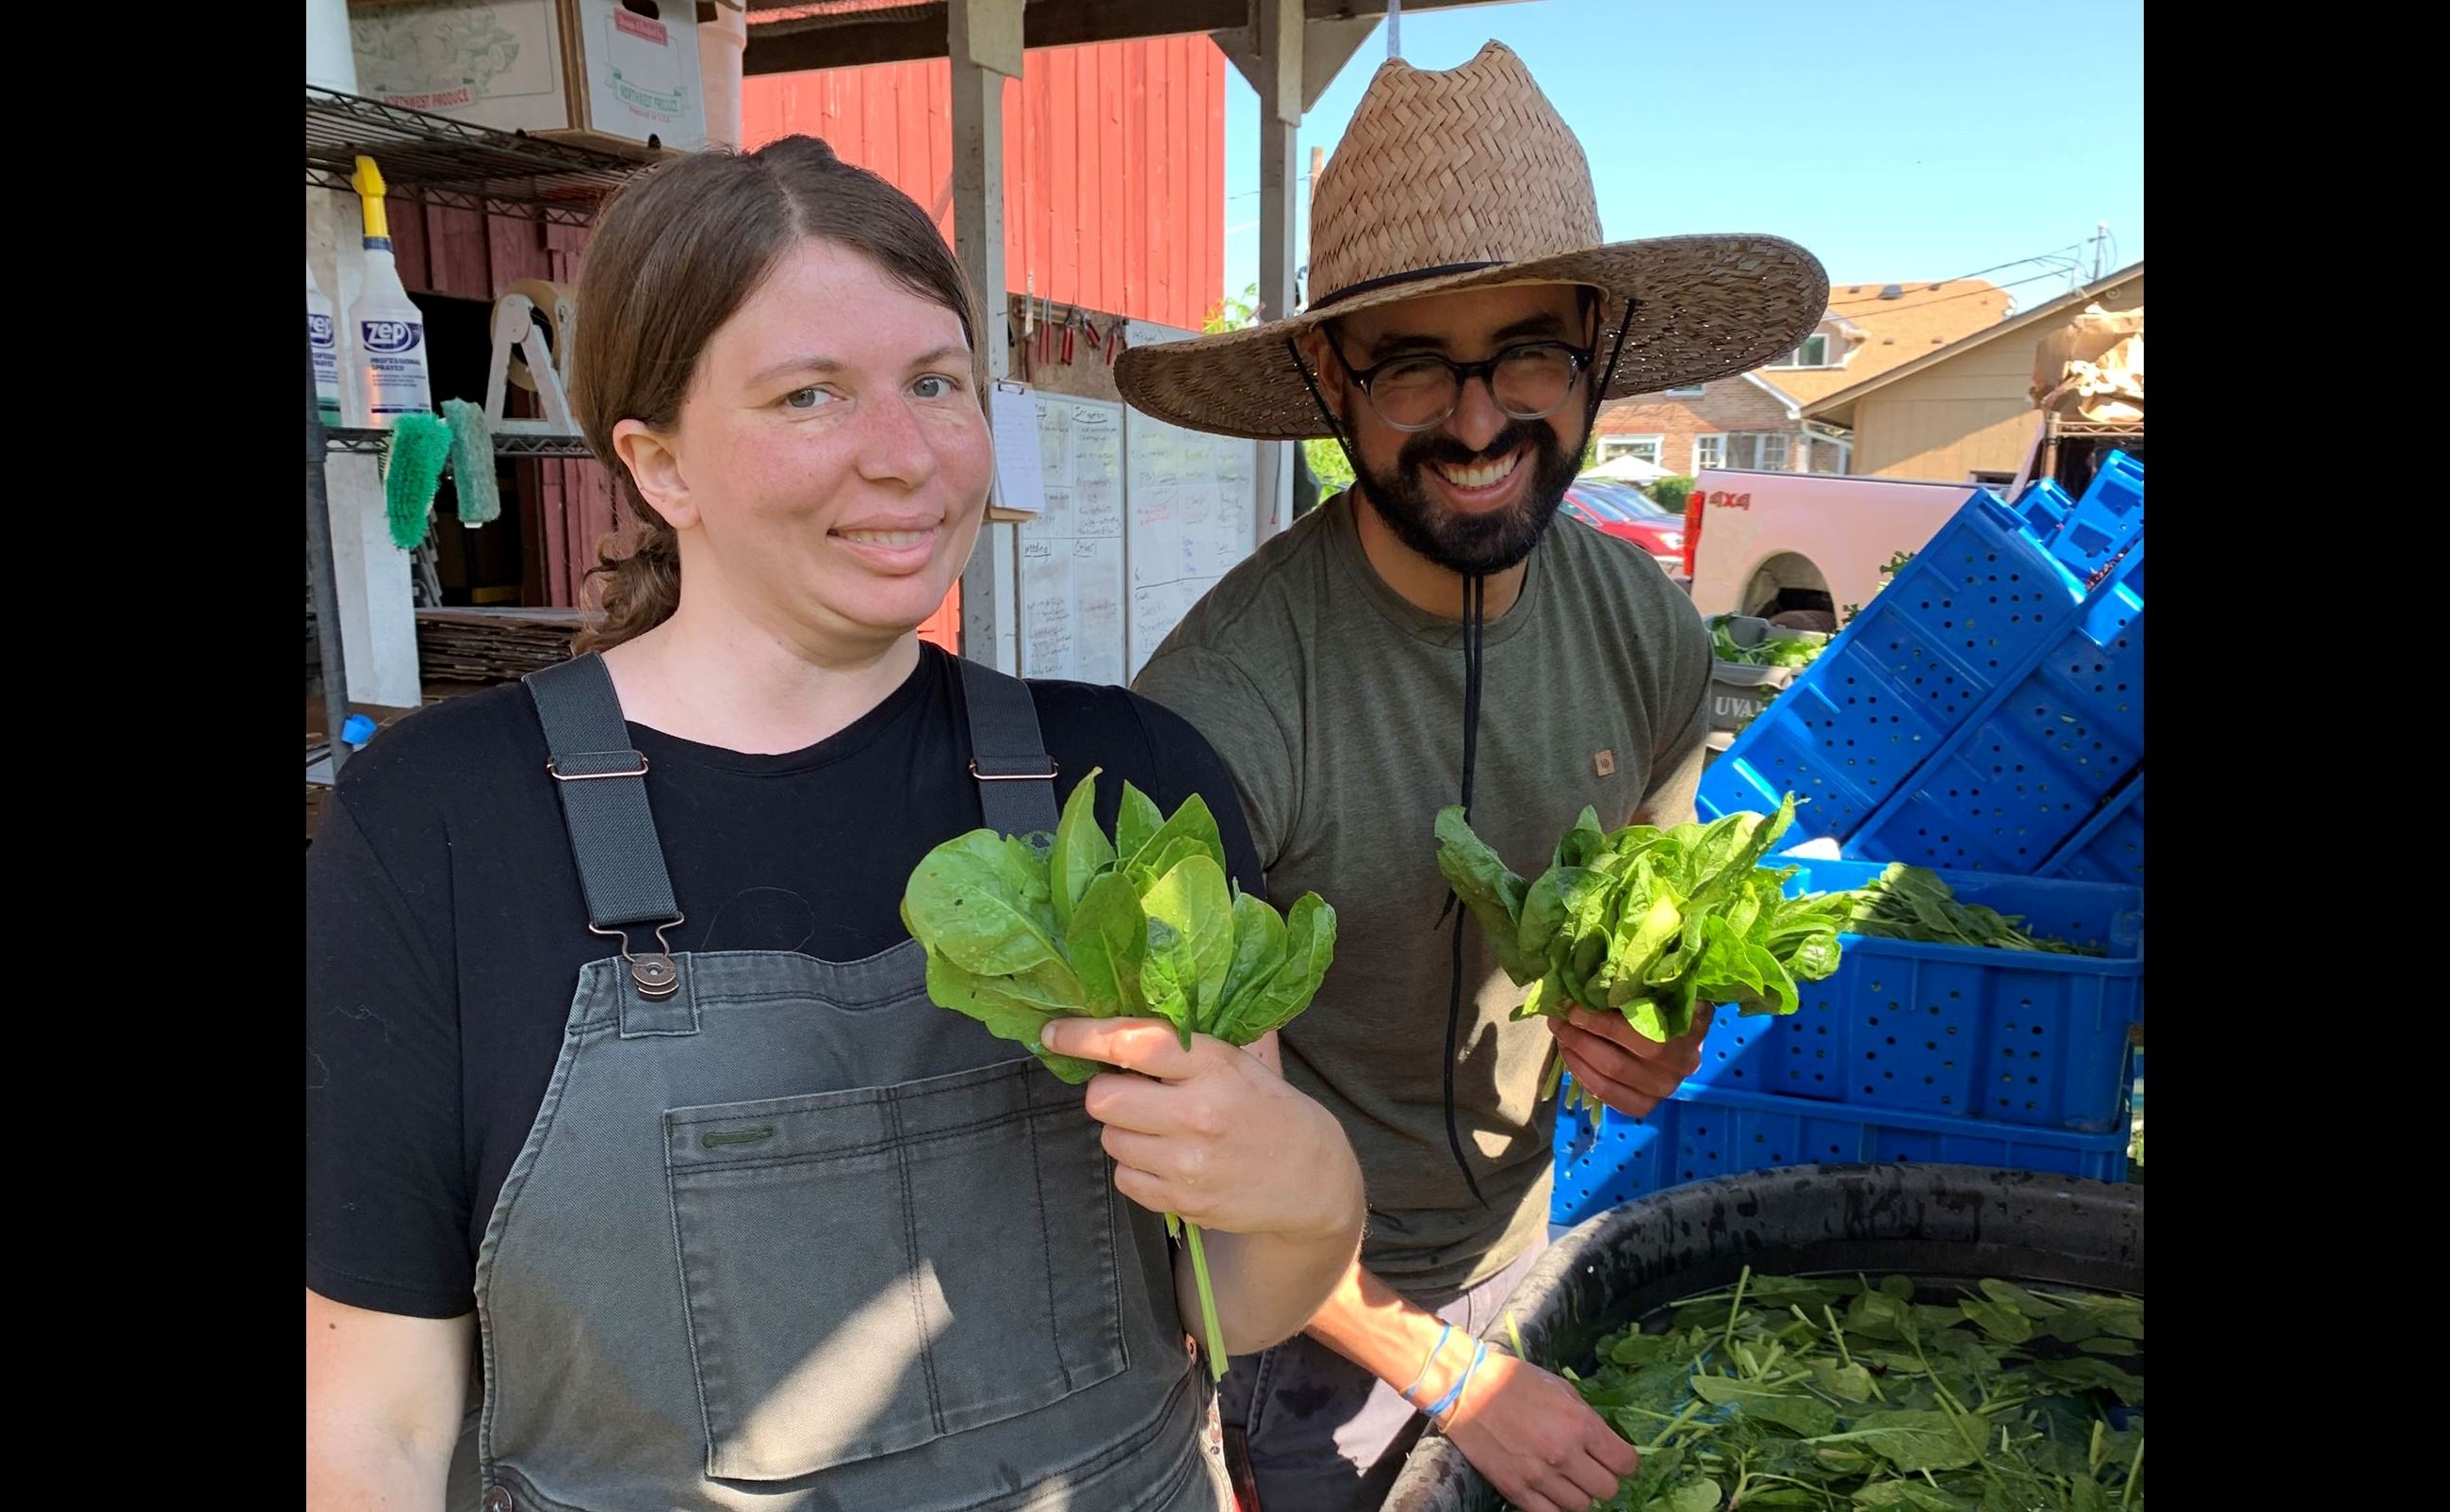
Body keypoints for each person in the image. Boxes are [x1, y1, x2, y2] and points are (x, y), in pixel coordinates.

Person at [305, 136, 1366, 1512]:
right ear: (660, 463)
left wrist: (1311, 1186)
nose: (906, 454)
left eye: (935, 381)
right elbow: (368, 1427)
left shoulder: (1130, 785)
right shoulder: (442, 823)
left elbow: (1225, 1299)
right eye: (811, 395)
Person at [1116, 42, 1830, 1512]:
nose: (1482, 419)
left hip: (1527, 1247)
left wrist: (1651, 1025)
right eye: (1413, 364)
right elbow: (1188, 1159)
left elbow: (1656, 906)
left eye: (1527, 353)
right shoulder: (1220, 706)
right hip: (1299, 1313)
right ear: (1329, 373)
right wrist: (1447, 1371)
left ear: (1599, 348)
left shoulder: (1642, 627)